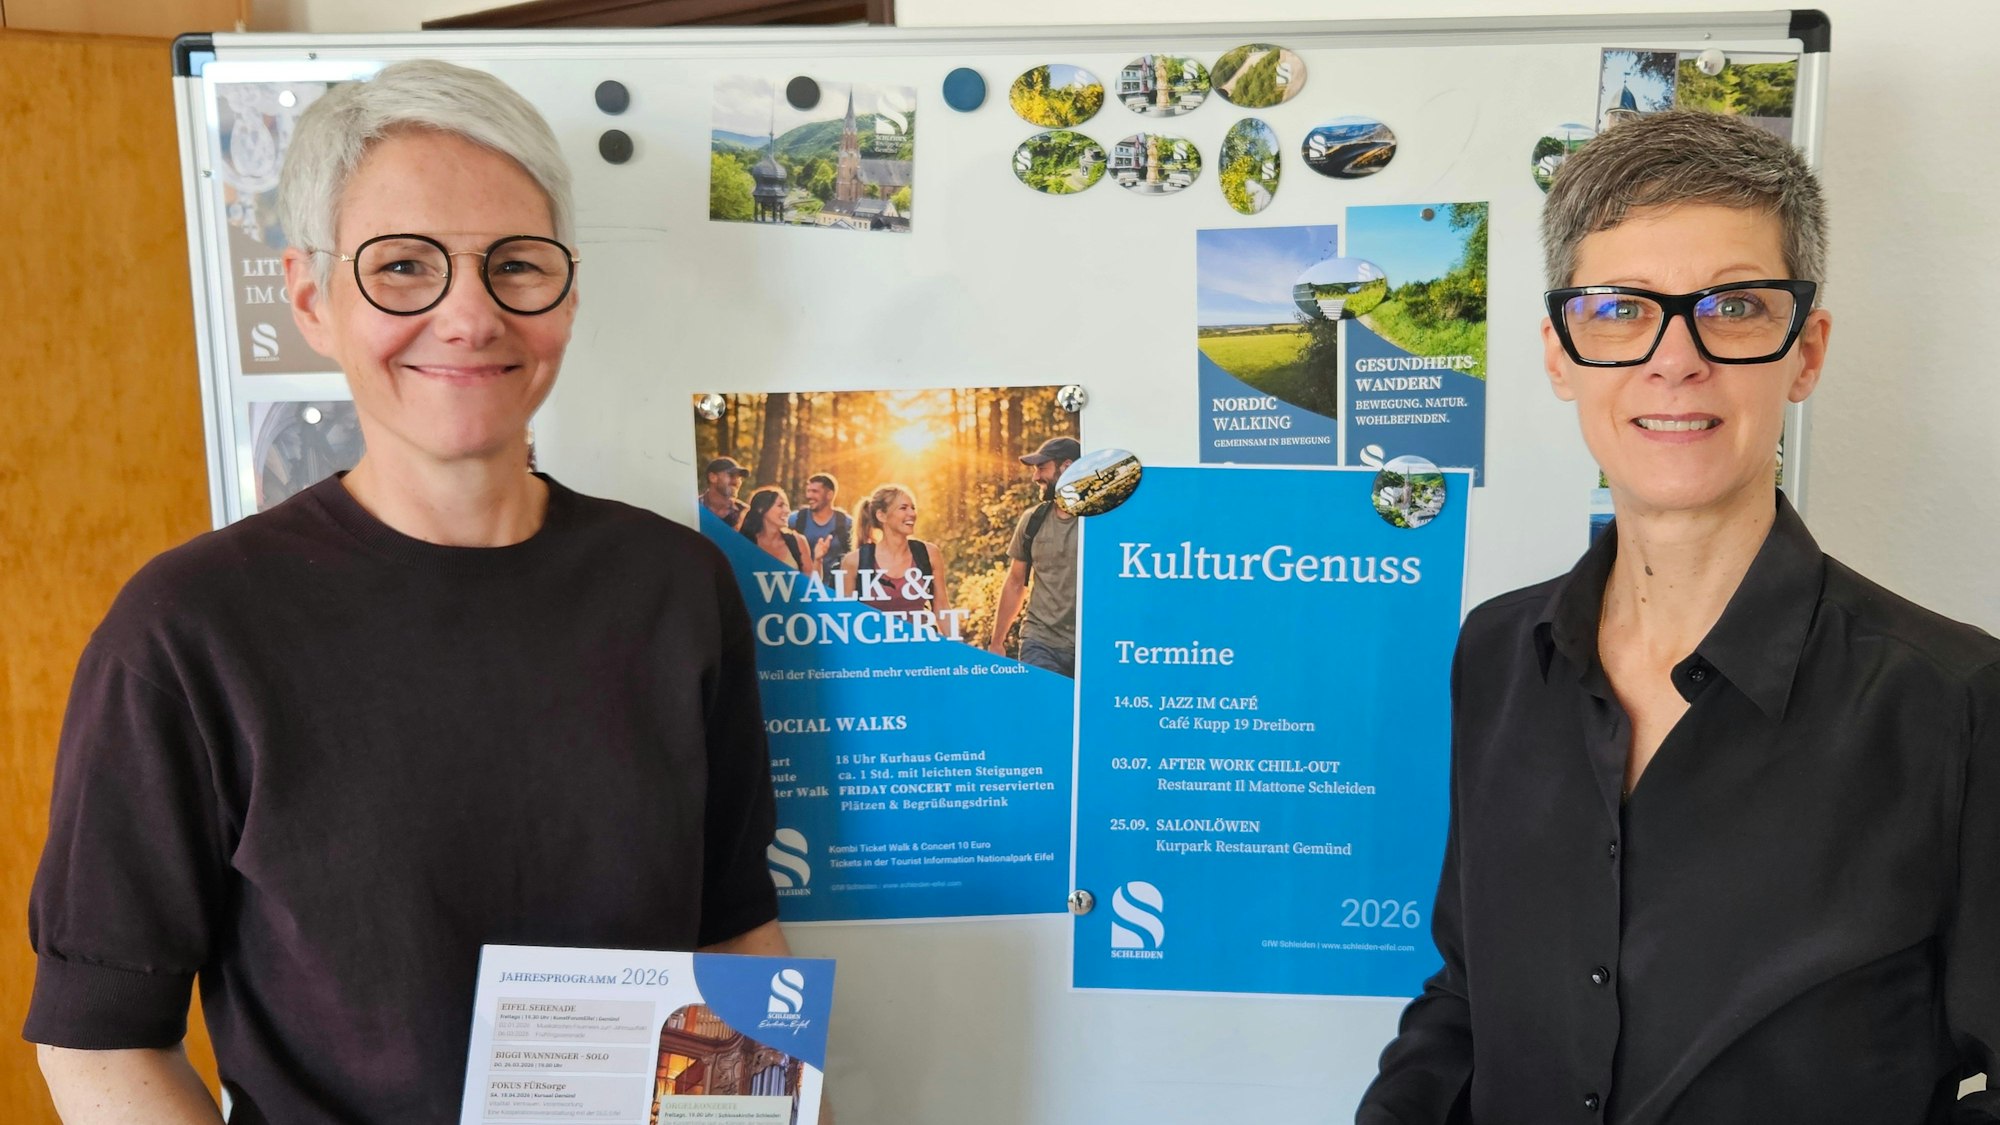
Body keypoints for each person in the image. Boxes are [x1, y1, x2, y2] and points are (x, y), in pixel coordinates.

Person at [26, 60, 792, 1124]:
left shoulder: (675, 587)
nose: (469, 316)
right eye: (402, 267)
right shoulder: (189, 631)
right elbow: (99, 1042)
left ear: (564, 293)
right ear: (311, 299)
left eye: (515, 266)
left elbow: (733, 936)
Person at [1357, 109, 1998, 1124]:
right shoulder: (1495, 652)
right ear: (1559, 353)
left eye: (1733, 306)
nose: (1673, 359)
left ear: (1805, 351)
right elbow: (1468, 1000)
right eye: (1617, 309)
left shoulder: (1952, 703)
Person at [986, 436, 1080, 676]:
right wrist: (997, 641)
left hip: (1091, 645)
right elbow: (1016, 582)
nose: (1035, 477)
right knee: (1043, 710)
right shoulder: (1033, 520)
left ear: (1067, 467)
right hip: (1040, 641)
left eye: (1042, 468)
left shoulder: (1100, 522)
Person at [840, 483, 953, 620]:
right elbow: (846, 617)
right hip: (875, 640)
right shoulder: (854, 561)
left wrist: (955, 640)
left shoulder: (928, 554)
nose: (912, 513)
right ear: (882, 516)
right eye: (903, 508)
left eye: (913, 508)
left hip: (919, 640)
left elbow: (941, 607)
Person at [788, 472, 852, 580]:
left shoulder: (846, 523)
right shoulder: (795, 520)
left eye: (815, 491)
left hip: (835, 590)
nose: (809, 496)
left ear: (829, 495)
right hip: (803, 588)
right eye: (808, 491)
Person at [740, 484, 809, 570]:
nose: (787, 511)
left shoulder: (798, 541)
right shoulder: (745, 543)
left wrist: (818, 560)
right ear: (761, 509)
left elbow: (811, 581)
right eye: (780, 505)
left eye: (787, 506)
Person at [698, 455, 750, 528]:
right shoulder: (693, 508)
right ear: (712, 477)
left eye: (739, 478)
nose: (736, 482)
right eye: (731, 475)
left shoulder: (746, 514)